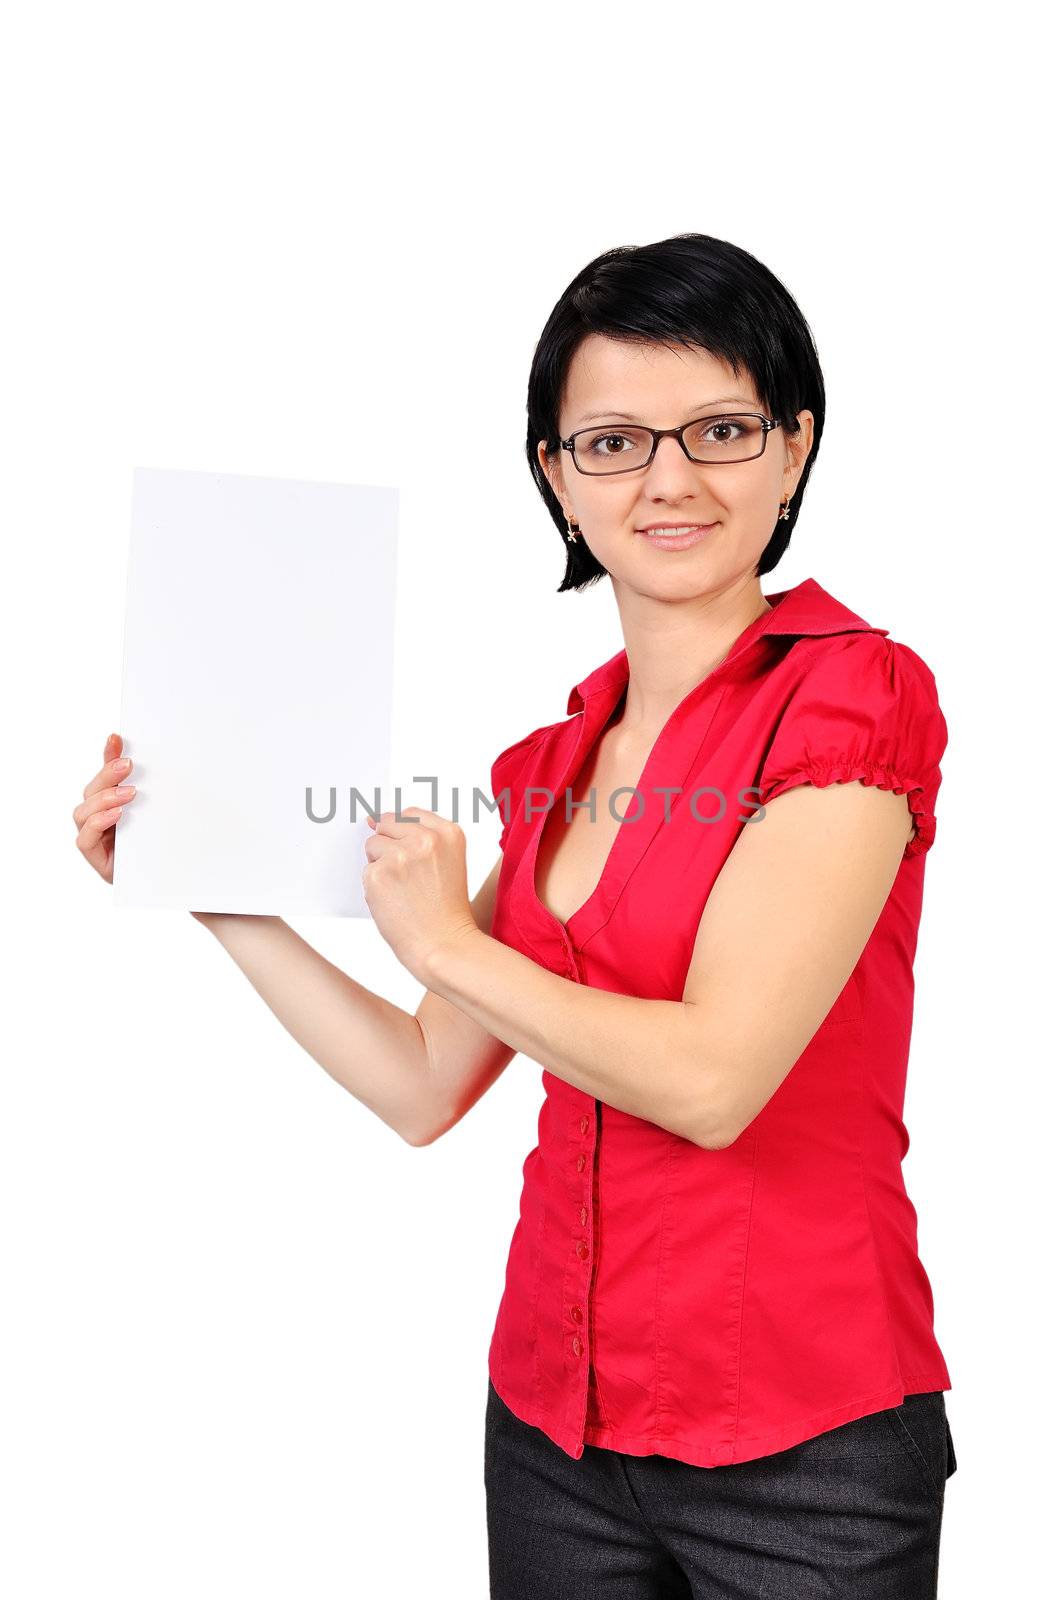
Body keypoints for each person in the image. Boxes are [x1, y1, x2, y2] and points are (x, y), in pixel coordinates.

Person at [74, 232, 957, 1598]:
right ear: (557, 475)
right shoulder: (551, 768)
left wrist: (441, 941)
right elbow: (425, 1081)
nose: (669, 479)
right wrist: (201, 879)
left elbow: (716, 1081)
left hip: (804, 1450)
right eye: (611, 442)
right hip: (556, 1426)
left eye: (720, 429)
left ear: (794, 449)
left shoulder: (850, 697)